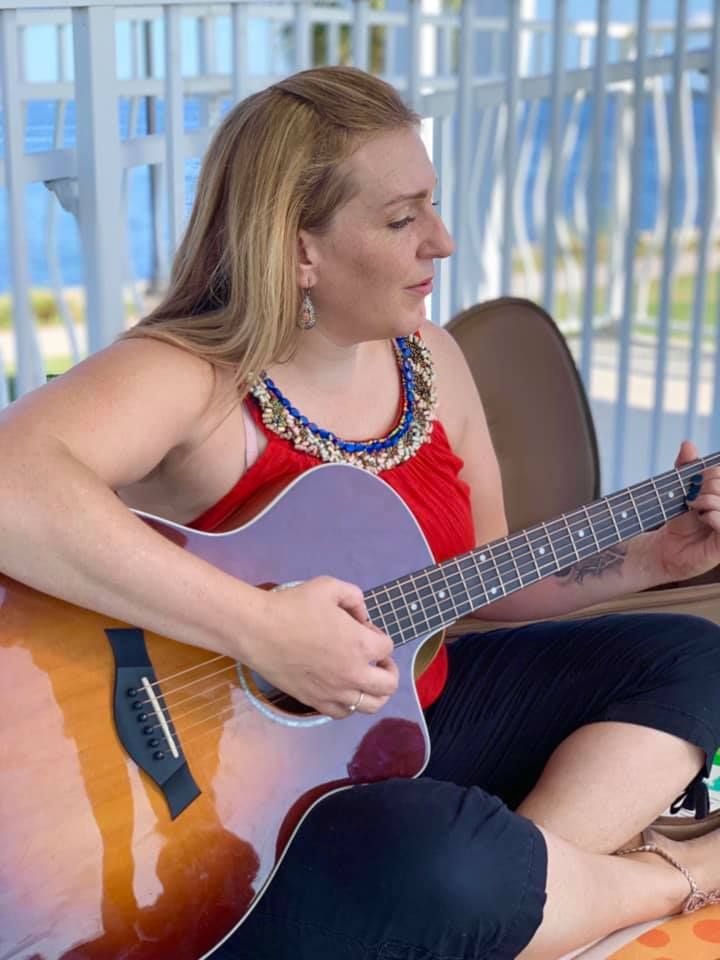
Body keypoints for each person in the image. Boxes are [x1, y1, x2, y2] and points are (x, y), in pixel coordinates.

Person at [1, 65, 719, 960]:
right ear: (298, 248)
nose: (442, 241)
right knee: (446, 861)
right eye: (401, 218)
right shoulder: (192, 375)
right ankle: (660, 879)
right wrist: (261, 629)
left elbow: (481, 576)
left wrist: (652, 560)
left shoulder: (432, 359)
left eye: (433, 205)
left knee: (691, 659)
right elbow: (12, 481)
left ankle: (519, 901)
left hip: (402, 730)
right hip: (216, 809)